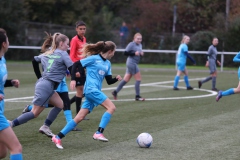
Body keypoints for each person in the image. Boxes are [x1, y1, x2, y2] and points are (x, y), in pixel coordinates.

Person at [51, 41, 122, 149]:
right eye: (114, 52)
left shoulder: (108, 63)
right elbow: (76, 64)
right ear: (110, 51)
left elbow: (108, 81)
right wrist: (73, 79)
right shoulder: (93, 58)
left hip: (93, 93)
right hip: (90, 90)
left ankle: (58, 137)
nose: (114, 54)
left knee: (79, 117)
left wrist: (116, 79)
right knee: (111, 107)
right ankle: (99, 132)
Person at [9, 32, 73, 138]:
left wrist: (39, 76)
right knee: (34, 113)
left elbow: (34, 60)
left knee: (60, 104)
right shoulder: (62, 54)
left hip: (45, 84)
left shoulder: (48, 53)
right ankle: (10, 124)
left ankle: (45, 126)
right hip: (47, 85)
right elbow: (71, 68)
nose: (68, 46)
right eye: (67, 44)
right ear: (61, 43)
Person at [0, 28, 23, 160]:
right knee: (16, 148)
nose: (9, 41)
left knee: (2, 153)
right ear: (4, 43)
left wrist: (10, 82)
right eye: (7, 39)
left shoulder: (2, 59)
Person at [112, 33, 145, 101]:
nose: (139, 40)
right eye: (138, 39)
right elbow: (125, 53)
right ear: (134, 39)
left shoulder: (140, 45)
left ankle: (115, 92)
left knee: (125, 80)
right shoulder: (131, 44)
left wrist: (141, 54)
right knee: (138, 79)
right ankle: (137, 96)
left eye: (140, 39)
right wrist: (134, 53)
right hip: (132, 63)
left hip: (133, 63)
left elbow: (139, 53)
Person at [69, 20, 88, 120]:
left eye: (84, 29)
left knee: (81, 91)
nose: (82, 31)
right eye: (80, 29)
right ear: (76, 29)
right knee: (80, 91)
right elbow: (71, 56)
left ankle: (67, 104)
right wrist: (74, 70)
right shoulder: (74, 40)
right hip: (77, 68)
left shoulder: (84, 39)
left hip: (82, 67)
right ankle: (78, 114)